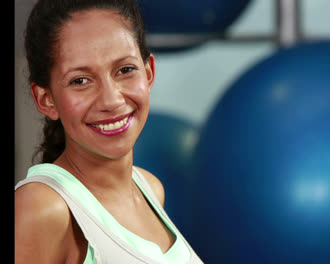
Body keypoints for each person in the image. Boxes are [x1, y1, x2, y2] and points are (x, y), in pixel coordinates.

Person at [14, 0, 203, 263]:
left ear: (148, 73)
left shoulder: (150, 188)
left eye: (125, 70)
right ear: (46, 99)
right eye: (80, 80)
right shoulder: (42, 207)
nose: (111, 100)